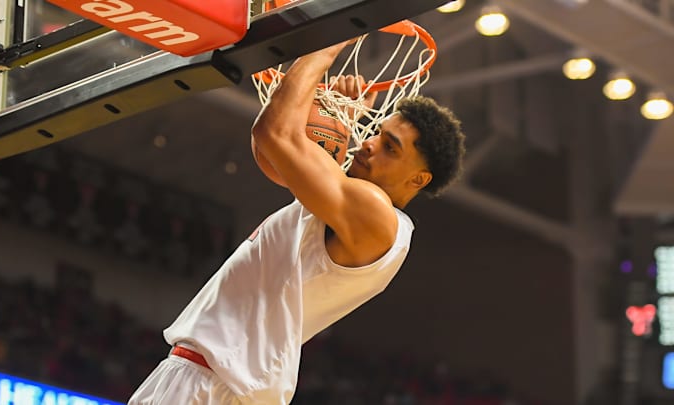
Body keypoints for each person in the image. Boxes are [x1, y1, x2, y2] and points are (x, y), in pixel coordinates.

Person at [128, 40, 466, 405]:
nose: (368, 144)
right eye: (376, 133)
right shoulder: (349, 205)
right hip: (205, 378)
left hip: (217, 386)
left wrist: (325, 45)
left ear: (418, 180)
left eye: (390, 148)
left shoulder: (376, 214)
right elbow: (272, 157)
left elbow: (273, 133)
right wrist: (335, 120)